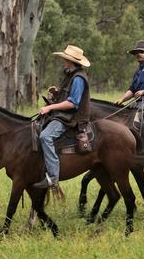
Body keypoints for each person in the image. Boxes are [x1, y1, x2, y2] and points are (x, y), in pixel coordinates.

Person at [33, 45, 91, 189]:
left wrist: (49, 107)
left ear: (70, 61)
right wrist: (57, 92)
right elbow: (67, 95)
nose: (63, 61)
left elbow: (73, 103)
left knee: (45, 137)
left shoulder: (78, 78)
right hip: (62, 115)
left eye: (65, 59)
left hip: (71, 118)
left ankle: (53, 178)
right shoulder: (70, 74)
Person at [114, 40, 144, 106]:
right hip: (139, 103)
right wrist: (122, 99)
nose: (138, 54)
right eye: (136, 52)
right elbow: (132, 89)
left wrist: (143, 92)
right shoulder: (137, 72)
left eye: (141, 52)